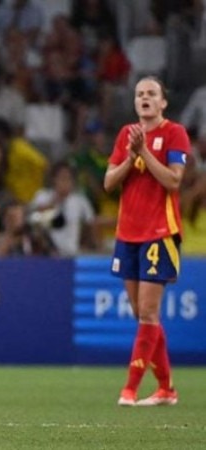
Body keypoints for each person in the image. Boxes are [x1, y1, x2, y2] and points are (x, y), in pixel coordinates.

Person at [103, 76, 190, 407]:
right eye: (140, 93)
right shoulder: (126, 134)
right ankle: (166, 388)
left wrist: (145, 154)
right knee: (141, 312)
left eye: (151, 93)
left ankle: (130, 388)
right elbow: (109, 182)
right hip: (128, 233)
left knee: (149, 313)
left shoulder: (174, 133)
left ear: (163, 102)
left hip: (160, 231)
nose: (145, 98)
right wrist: (130, 156)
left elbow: (174, 180)